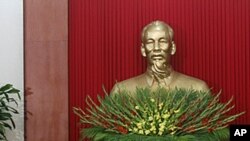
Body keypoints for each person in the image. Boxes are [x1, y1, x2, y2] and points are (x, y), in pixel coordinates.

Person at [111, 21, 209, 94]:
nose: (156, 48)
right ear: (143, 49)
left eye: (162, 41)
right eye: (150, 42)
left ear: (173, 48)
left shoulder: (198, 89)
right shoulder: (121, 91)